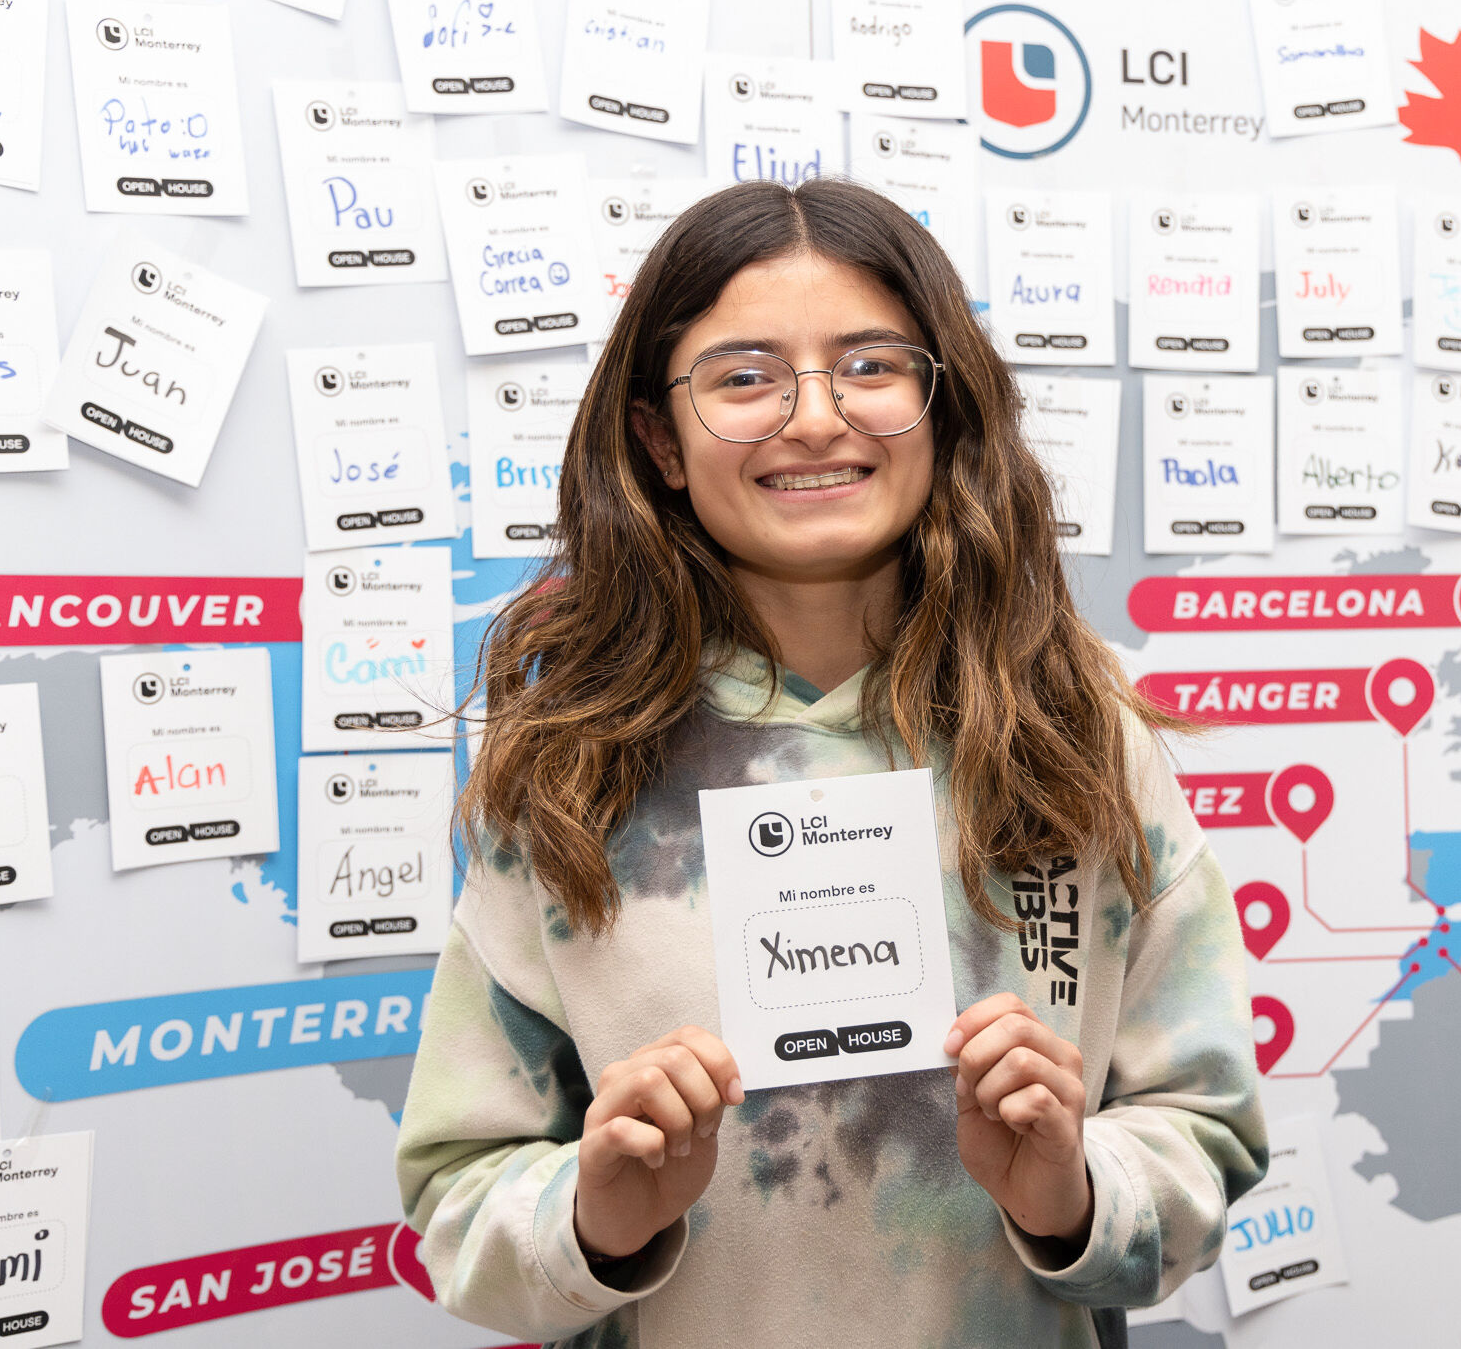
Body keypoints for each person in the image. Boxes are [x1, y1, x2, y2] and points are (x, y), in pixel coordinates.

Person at [394, 177, 1267, 1349]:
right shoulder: (569, 770)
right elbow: (459, 1189)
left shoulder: (1079, 730)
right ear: (658, 437)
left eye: (869, 365)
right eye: (744, 377)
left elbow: (1204, 1132)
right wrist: (596, 1216)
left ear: (940, 407)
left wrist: (1070, 1192)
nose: (814, 419)